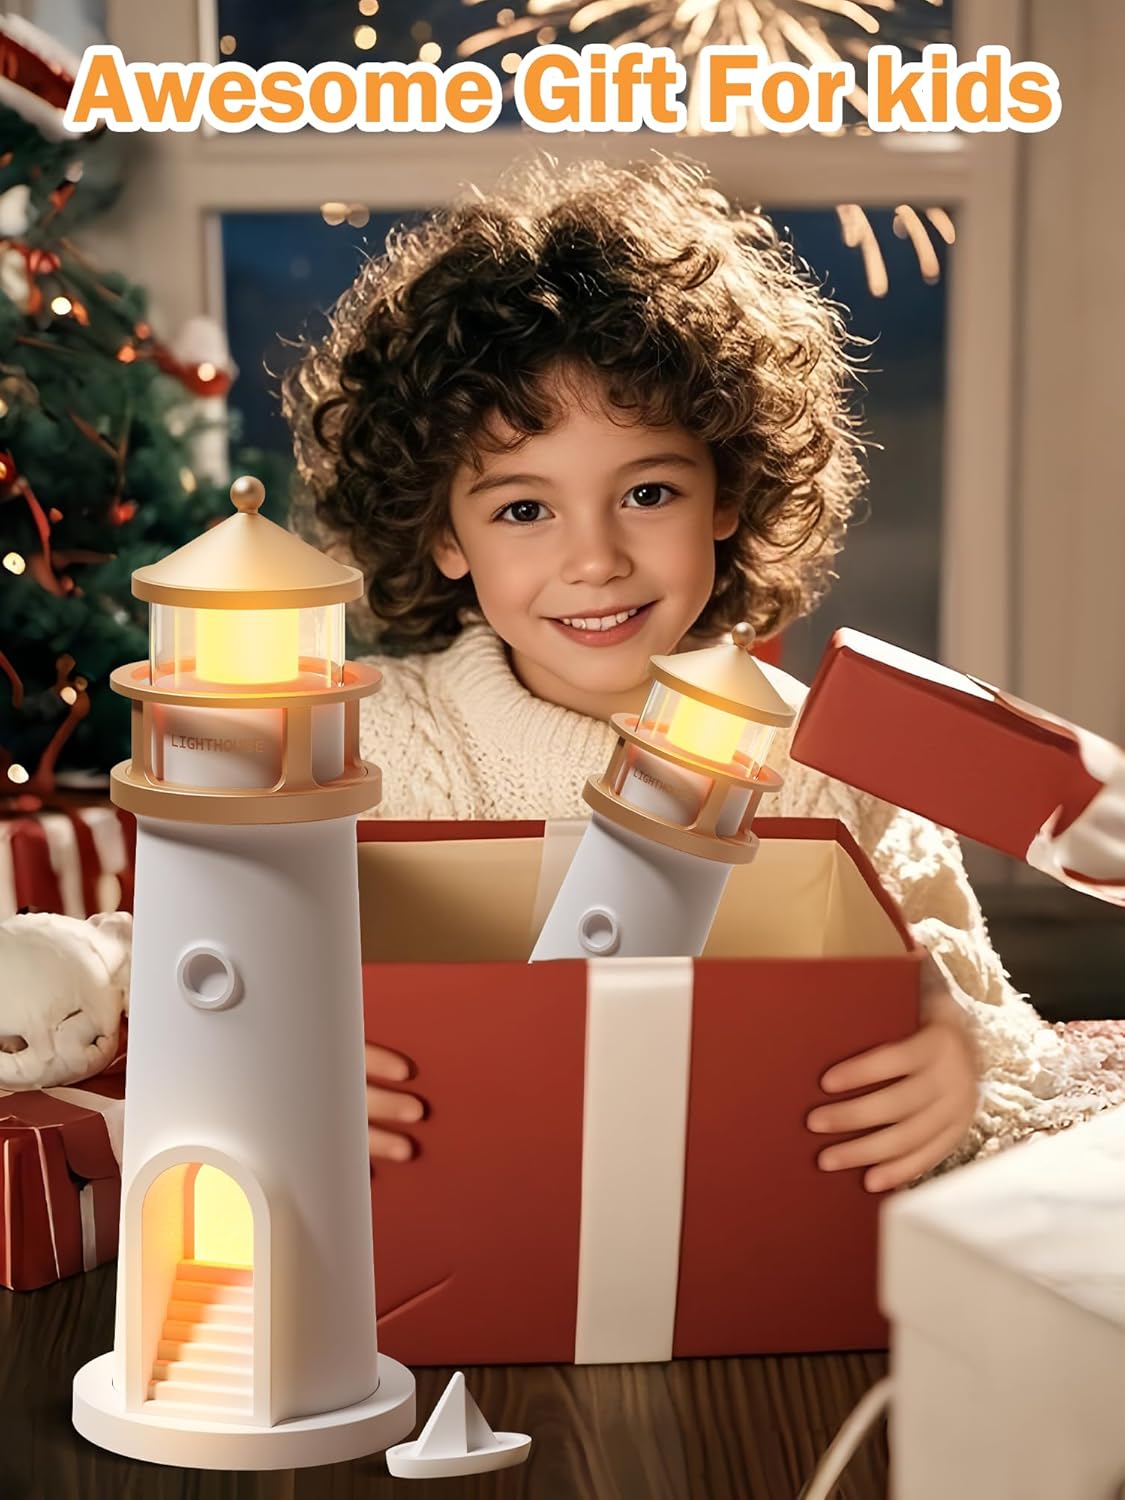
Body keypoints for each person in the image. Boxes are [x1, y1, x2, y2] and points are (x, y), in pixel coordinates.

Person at [283, 152, 1082, 1192]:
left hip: (753, 1240)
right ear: (442, 534)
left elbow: (1006, 1028)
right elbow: (236, 986)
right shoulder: (364, 750)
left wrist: (960, 1057)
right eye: (523, 509)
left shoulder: (831, 769)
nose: (594, 559)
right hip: (455, 1241)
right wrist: (294, 1059)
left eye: (647, 494)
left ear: (727, 493)